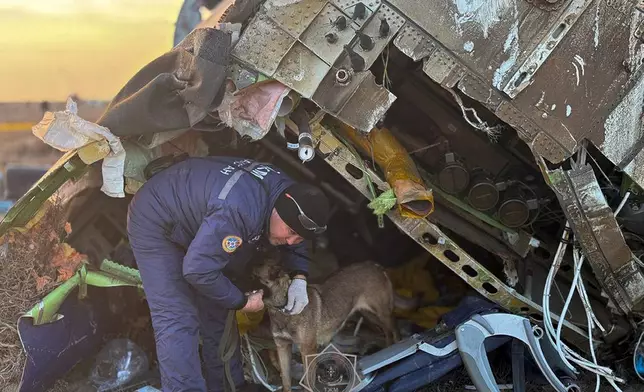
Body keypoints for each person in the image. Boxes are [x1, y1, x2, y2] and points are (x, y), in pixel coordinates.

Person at [126, 156, 330, 392]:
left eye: (300, 237)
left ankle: (227, 387)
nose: (291, 241)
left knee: (217, 306)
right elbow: (198, 270)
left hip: (200, 215)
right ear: (279, 210)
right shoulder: (240, 211)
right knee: (177, 316)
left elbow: (296, 235)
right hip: (156, 218)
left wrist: (299, 277)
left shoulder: (290, 195)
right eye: (290, 231)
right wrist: (241, 301)